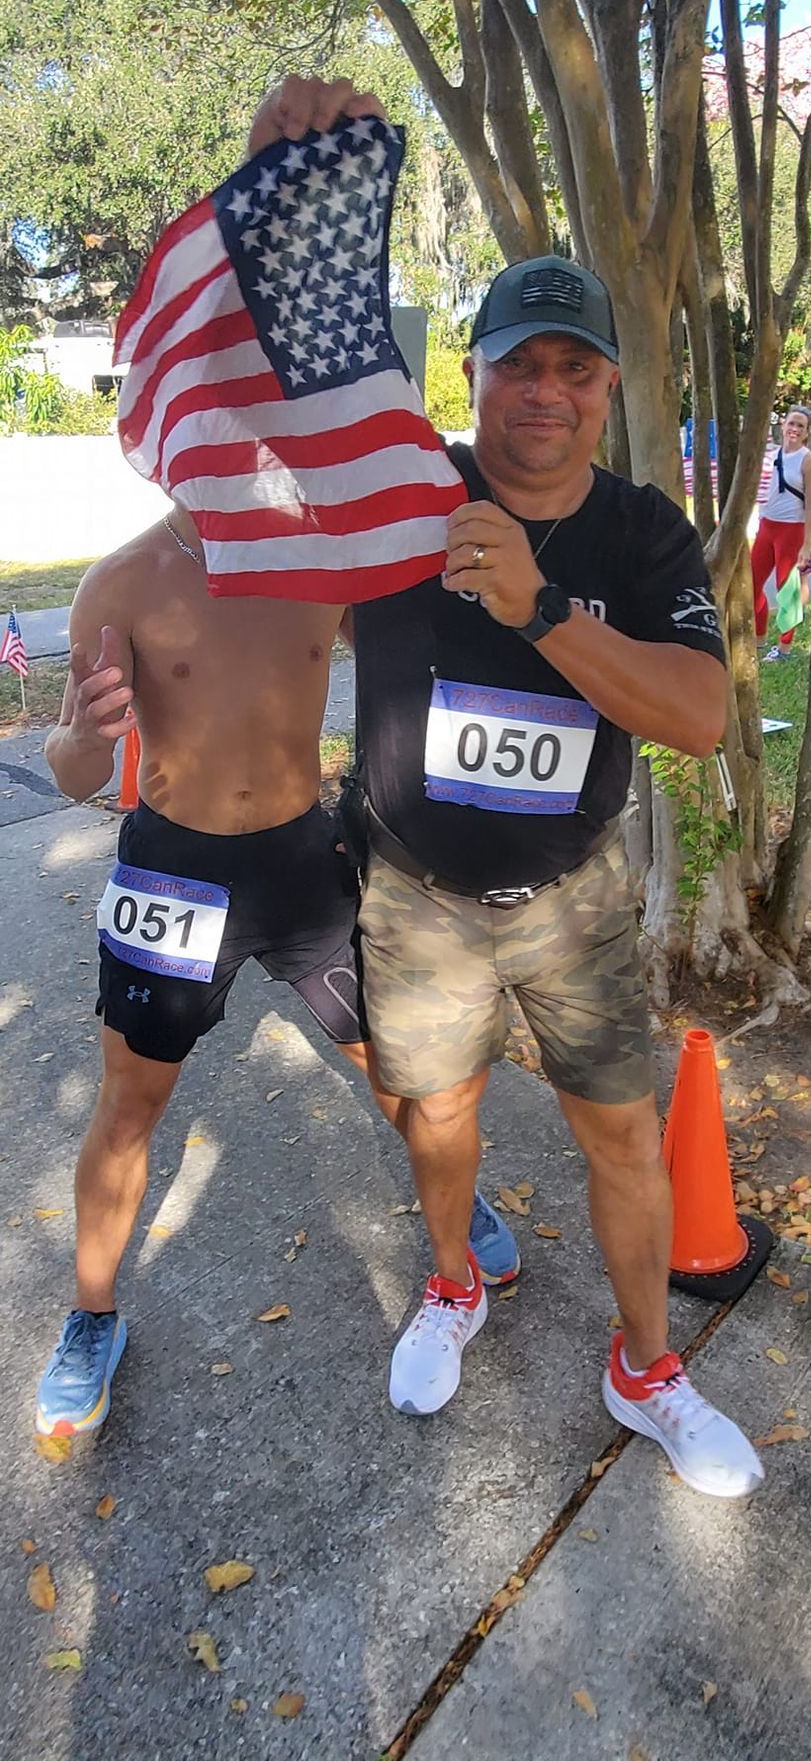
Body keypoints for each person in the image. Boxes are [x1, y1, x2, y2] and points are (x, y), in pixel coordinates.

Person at [234, 78, 767, 1494]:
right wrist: (277, 196)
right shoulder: (404, 496)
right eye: (519, 363)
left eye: (574, 367)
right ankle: (457, 1280)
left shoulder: (649, 537)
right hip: (415, 890)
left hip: (575, 900)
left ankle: (645, 1365)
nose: (546, 390)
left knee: (620, 1136)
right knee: (443, 1116)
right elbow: (284, 393)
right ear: (476, 375)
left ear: (605, 384)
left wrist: (542, 610)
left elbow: (701, 717)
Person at [33, 89, 518, 1444]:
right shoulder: (122, 584)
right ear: (174, 414)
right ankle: (90, 1313)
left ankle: (453, 1206)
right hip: (174, 865)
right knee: (132, 1105)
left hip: (309, 858)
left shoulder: (326, 550)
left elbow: (442, 609)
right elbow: (77, 768)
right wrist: (82, 725)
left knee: (391, 1065)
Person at [750, 405, 811, 662]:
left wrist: (806, 544)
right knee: (752, 583)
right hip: (767, 525)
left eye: (800, 426)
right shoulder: (771, 455)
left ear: (806, 432)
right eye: (792, 423)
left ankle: (784, 647)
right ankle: (758, 640)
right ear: (783, 425)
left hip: (792, 528)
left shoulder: (809, 460)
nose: (794, 429)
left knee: (787, 589)